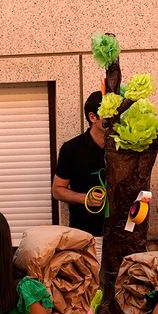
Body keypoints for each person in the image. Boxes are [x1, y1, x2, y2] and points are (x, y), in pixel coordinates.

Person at [51, 91, 107, 239]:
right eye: (109, 114)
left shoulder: (124, 146)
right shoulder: (71, 149)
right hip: (85, 232)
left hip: (121, 231)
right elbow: (57, 190)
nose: (116, 119)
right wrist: (85, 198)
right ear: (92, 117)